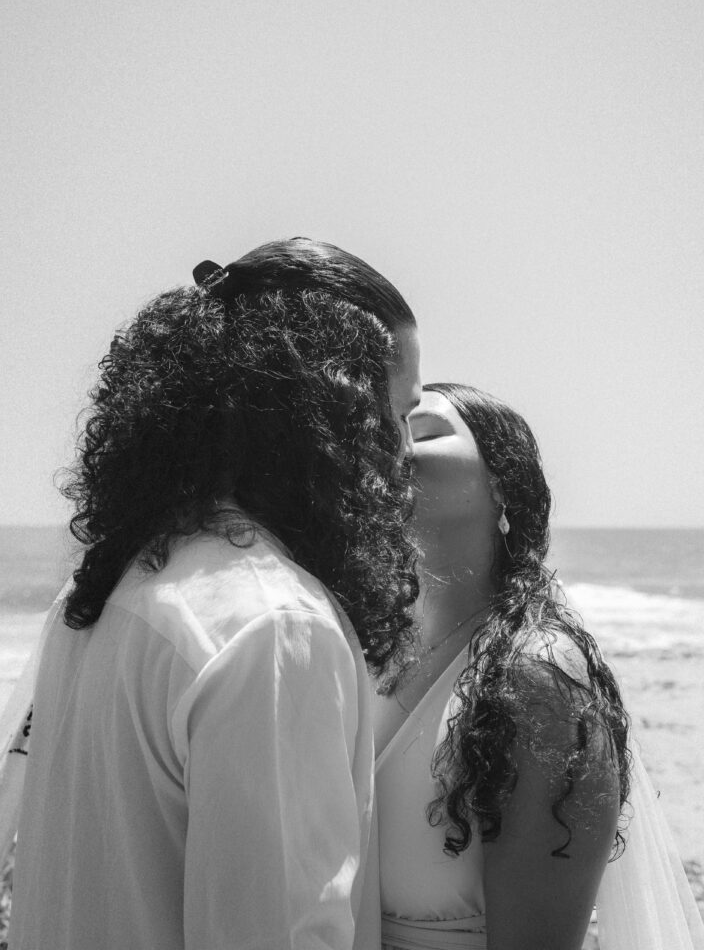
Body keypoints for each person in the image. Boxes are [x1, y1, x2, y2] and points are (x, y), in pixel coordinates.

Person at [3, 238, 422, 950]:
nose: (405, 449)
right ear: (337, 406)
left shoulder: (104, 591)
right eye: (398, 411)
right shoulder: (273, 627)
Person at [374, 383, 704, 950]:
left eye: (424, 429)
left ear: (503, 482)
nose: (394, 444)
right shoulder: (371, 653)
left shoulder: (537, 675)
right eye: (386, 424)